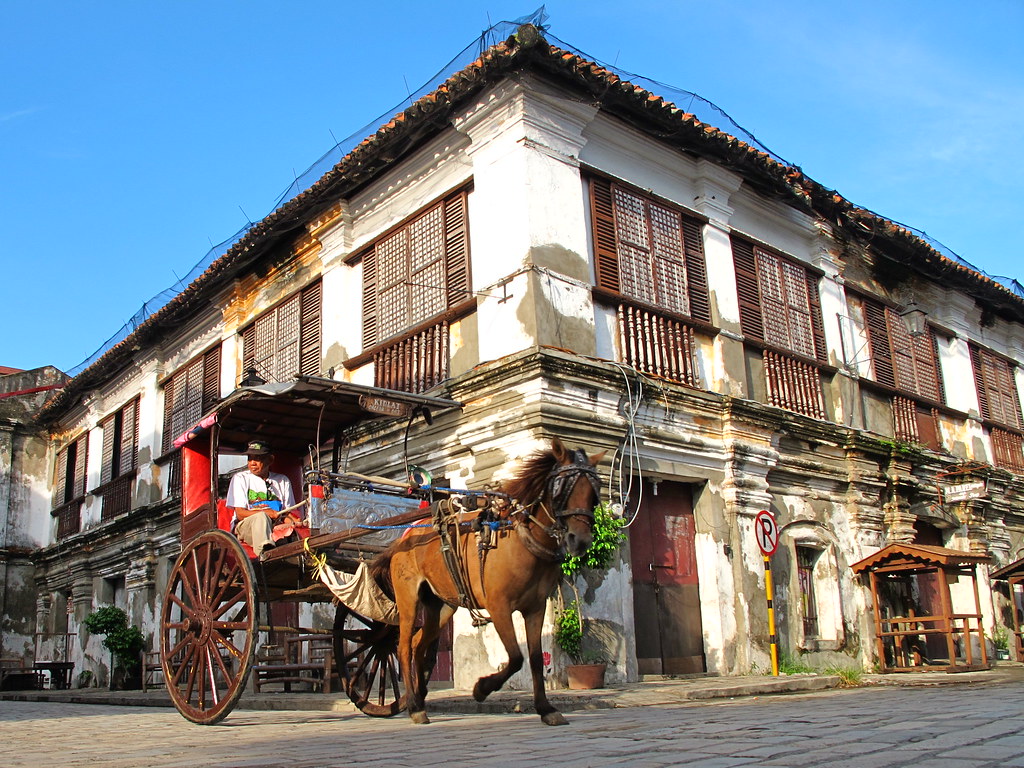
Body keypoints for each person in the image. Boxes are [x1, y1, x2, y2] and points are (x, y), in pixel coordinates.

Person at [226, 441, 297, 557]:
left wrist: (298, 524)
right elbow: (240, 514)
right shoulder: (240, 478)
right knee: (261, 517)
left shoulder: (283, 480)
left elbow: (286, 514)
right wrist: (267, 513)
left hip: (275, 525)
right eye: (250, 458)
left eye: (257, 458)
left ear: (270, 460)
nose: (252, 463)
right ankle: (265, 554)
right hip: (246, 526)